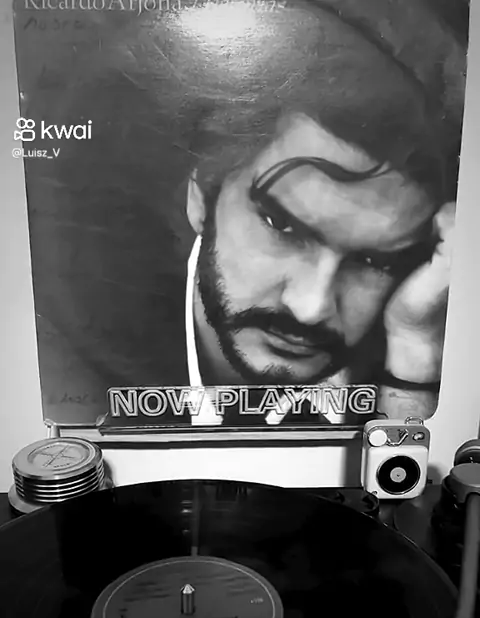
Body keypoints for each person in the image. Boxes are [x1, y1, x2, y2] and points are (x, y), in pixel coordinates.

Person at [16, 0, 469, 427]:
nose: (310, 307)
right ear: (201, 197)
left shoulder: (412, 339)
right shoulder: (61, 358)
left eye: (374, 261)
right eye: (281, 225)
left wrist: (417, 345)